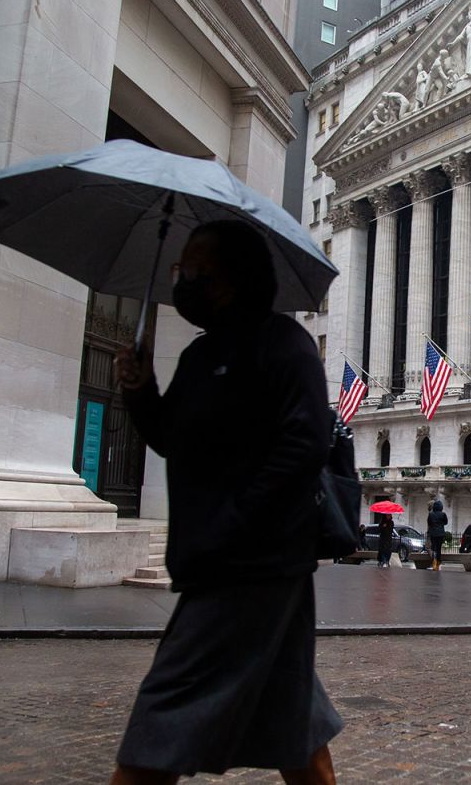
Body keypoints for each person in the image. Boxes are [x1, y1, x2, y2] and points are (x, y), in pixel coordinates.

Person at [110, 221, 341, 785]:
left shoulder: (285, 345)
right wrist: (141, 391)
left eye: (194, 271)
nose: (183, 282)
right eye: (178, 271)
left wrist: (234, 525)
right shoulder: (198, 356)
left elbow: (305, 445)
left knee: (160, 719)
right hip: (221, 562)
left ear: (235, 277)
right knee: (291, 725)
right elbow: (172, 438)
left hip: (250, 566)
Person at [426, 499, 448, 571]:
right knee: (439, 549)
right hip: (440, 534)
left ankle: (434, 563)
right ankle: (438, 563)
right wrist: (440, 524)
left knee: (433, 548)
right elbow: (446, 522)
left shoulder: (431, 514)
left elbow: (429, 523)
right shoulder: (443, 514)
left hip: (433, 533)